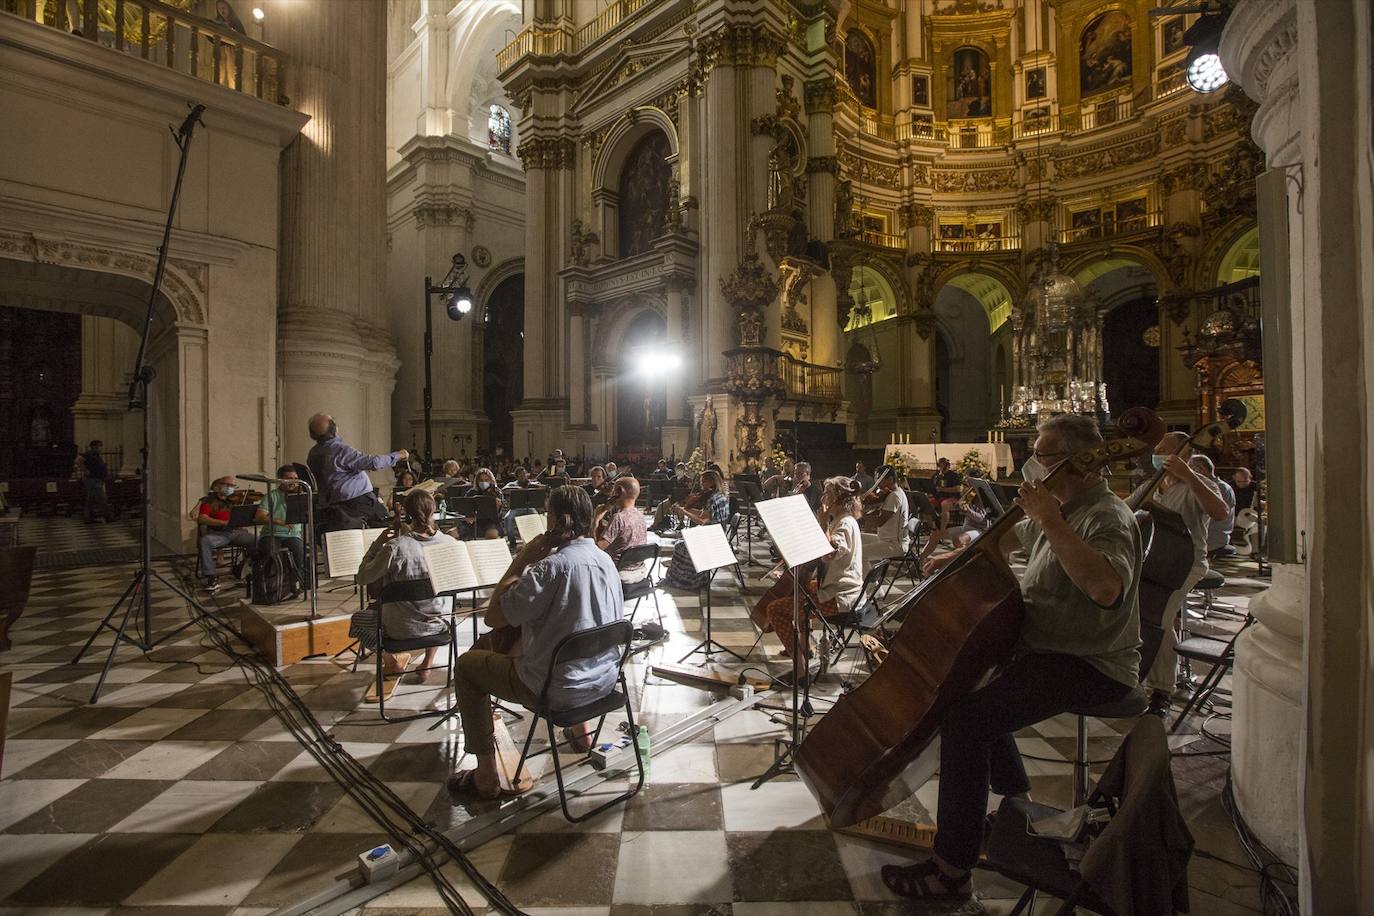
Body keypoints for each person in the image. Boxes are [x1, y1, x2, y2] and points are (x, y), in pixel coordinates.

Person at [881, 415, 1143, 902]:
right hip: (1048, 650)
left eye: (1042, 456)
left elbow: (1106, 588)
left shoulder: (1104, 515)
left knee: (966, 721)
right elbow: (1004, 538)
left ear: (1079, 465)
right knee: (972, 686)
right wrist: (960, 554)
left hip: (1090, 663)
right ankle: (1016, 802)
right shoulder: (1065, 508)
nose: (1033, 467)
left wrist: (1050, 520)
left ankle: (951, 869)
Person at [446, 486, 624, 800]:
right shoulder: (605, 559)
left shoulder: (551, 567)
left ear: (557, 520)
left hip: (556, 689)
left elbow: (493, 617)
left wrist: (524, 557)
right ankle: (582, 732)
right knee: (570, 635)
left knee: (466, 667)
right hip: (604, 681)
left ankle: (485, 775)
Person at [1130, 431, 1230, 717]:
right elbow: (1126, 512)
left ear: (1182, 454)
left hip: (1186, 564)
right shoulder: (1154, 484)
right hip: (1154, 564)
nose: (1157, 453)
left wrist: (1188, 476)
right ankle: (1136, 674)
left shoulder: (1200, 483)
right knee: (1142, 615)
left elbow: (1220, 511)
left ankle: (1161, 690)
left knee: (1158, 618)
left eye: (1164, 449)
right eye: (1157, 448)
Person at [350, 489, 456, 683]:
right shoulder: (450, 543)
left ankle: (391, 662)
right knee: (435, 603)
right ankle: (428, 663)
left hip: (401, 629)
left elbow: (363, 577)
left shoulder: (395, 547)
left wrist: (378, 544)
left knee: (358, 619)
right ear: (433, 511)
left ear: (407, 513)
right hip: (441, 625)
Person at [764, 477, 866, 659]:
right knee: (799, 589)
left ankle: (800, 664)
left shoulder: (844, 524)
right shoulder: (843, 520)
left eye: (827, 493)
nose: (823, 498)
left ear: (839, 498)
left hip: (840, 596)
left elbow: (828, 554)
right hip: (843, 588)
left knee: (775, 608)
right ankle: (804, 647)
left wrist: (823, 522)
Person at [306, 413, 408, 529]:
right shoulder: (339, 450)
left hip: (336, 507)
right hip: (358, 503)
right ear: (335, 429)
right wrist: (399, 455)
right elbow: (374, 463)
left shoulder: (313, 453)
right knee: (390, 527)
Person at [663, 470, 730, 589]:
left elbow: (702, 520)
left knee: (680, 545)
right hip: (717, 534)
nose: (701, 484)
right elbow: (703, 514)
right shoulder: (720, 496)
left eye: (703, 481)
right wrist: (684, 509)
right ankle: (693, 576)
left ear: (711, 482)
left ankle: (687, 580)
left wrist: (684, 512)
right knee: (682, 541)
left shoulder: (713, 499)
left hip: (712, 538)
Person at [193, 476, 257, 592]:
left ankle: (245, 567)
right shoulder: (209, 501)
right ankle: (211, 577)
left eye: (233, 486)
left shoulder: (234, 500)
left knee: (257, 540)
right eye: (227, 485)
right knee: (205, 541)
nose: (230, 488)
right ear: (218, 486)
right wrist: (222, 522)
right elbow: (202, 519)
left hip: (236, 532)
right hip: (219, 534)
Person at [255, 465, 309, 591]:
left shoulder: (300, 496)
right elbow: (259, 517)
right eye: (289, 479)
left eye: (295, 479)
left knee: (299, 553)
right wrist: (278, 521)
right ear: (280, 480)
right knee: (271, 552)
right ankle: (271, 585)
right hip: (271, 534)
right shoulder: (272, 495)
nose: (293, 482)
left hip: (293, 535)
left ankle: (295, 584)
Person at [595, 477, 649, 583]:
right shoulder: (640, 516)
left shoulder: (618, 518)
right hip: (640, 571)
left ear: (619, 491)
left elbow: (597, 549)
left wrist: (596, 520)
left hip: (619, 573)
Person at [861, 466, 911, 564]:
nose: (876, 482)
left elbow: (879, 522)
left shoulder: (894, 496)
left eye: (879, 479)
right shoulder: (894, 493)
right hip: (885, 539)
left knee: (859, 553)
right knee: (856, 536)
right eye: (875, 479)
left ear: (890, 479)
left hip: (895, 545)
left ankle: (869, 579)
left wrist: (860, 513)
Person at [1190, 455, 1236, 558]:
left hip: (1213, 539)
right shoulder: (1209, 485)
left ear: (1199, 469)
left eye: (1189, 469)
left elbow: (1212, 515)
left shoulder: (1220, 488)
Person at [462, 467, 506, 539]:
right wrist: (467, 516)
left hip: (491, 522)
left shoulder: (496, 492)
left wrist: (497, 507)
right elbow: (464, 507)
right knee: (452, 533)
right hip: (473, 522)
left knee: (492, 534)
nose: (483, 482)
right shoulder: (471, 492)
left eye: (486, 480)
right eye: (481, 480)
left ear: (491, 480)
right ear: (477, 481)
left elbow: (499, 514)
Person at [1232, 467, 1261, 556]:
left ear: (1250, 478)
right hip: (1235, 516)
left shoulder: (1256, 487)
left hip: (1251, 515)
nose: (1241, 484)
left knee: (1259, 525)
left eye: (1245, 482)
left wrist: (1258, 506)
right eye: (1238, 482)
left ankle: (1255, 551)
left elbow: (1263, 503)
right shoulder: (1230, 487)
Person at [81, 439, 110, 524]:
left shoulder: (96, 455)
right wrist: (85, 470)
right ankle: (107, 516)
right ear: (94, 446)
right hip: (93, 479)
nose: (101, 448)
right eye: (99, 446)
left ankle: (88, 518)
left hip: (97, 479)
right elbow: (78, 460)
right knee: (102, 498)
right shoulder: (89, 454)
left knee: (91, 499)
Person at [931, 457, 963, 530]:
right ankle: (933, 527)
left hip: (952, 498)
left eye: (944, 466)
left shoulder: (954, 475)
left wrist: (943, 489)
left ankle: (942, 529)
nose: (942, 467)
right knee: (926, 503)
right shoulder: (936, 475)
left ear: (948, 466)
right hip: (939, 497)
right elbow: (932, 487)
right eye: (940, 466)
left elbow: (958, 489)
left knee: (944, 504)